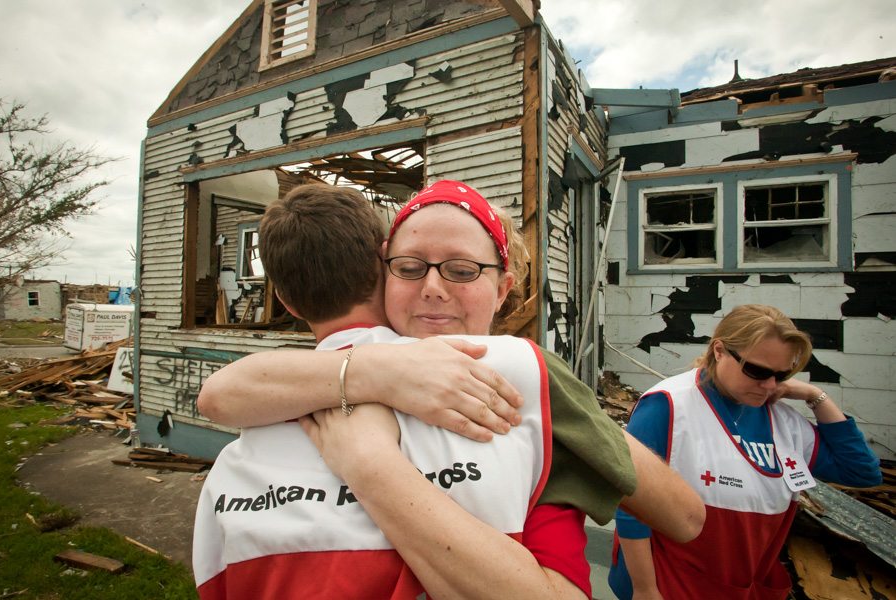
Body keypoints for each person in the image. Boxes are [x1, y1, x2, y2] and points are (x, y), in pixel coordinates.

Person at [194, 181, 704, 599]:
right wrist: (373, 373)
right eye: (410, 268)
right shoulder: (284, 392)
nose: (433, 287)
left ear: (504, 289)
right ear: (381, 270)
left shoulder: (522, 379)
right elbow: (218, 395)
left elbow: (684, 517)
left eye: (462, 270)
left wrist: (370, 464)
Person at [608, 304, 882, 600]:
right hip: (672, 582)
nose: (769, 385)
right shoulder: (669, 406)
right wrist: (645, 589)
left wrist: (814, 396)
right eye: (757, 371)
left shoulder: (783, 421)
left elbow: (861, 471)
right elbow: (631, 503)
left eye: (782, 374)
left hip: (740, 586)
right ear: (719, 351)